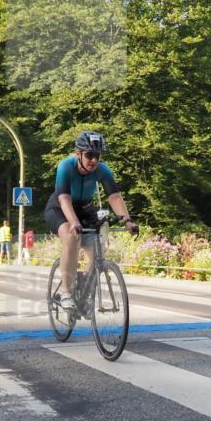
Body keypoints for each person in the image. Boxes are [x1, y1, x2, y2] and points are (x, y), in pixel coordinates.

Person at [44, 131, 138, 310]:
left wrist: (127, 221)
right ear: (78, 154)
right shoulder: (66, 166)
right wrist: (74, 222)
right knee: (72, 237)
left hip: (86, 209)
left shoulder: (102, 169)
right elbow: (64, 199)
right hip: (60, 208)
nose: (94, 160)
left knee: (99, 248)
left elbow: (115, 197)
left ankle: (85, 286)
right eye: (89, 155)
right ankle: (66, 291)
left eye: (97, 155)